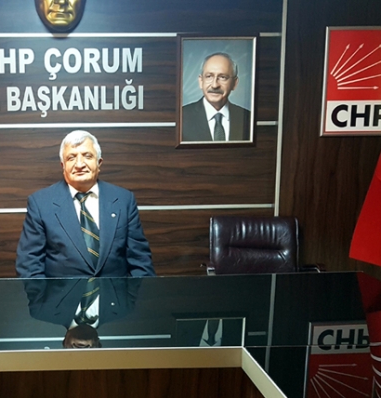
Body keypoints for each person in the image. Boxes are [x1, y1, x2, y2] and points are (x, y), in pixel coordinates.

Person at [15, 130, 155, 278]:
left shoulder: (123, 200)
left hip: (115, 292)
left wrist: (139, 293)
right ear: (63, 166)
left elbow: (141, 261)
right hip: (62, 293)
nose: (79, 164)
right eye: (71, 158)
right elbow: (29, 266)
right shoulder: (41, 203)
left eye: (87, 156)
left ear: (99, 163)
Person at [181, 52, 251, 142]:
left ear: (234, 83)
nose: (215, 85)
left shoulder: (248, 119)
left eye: (223, 77)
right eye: (209, 76)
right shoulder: (181, 117)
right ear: (201, 81)